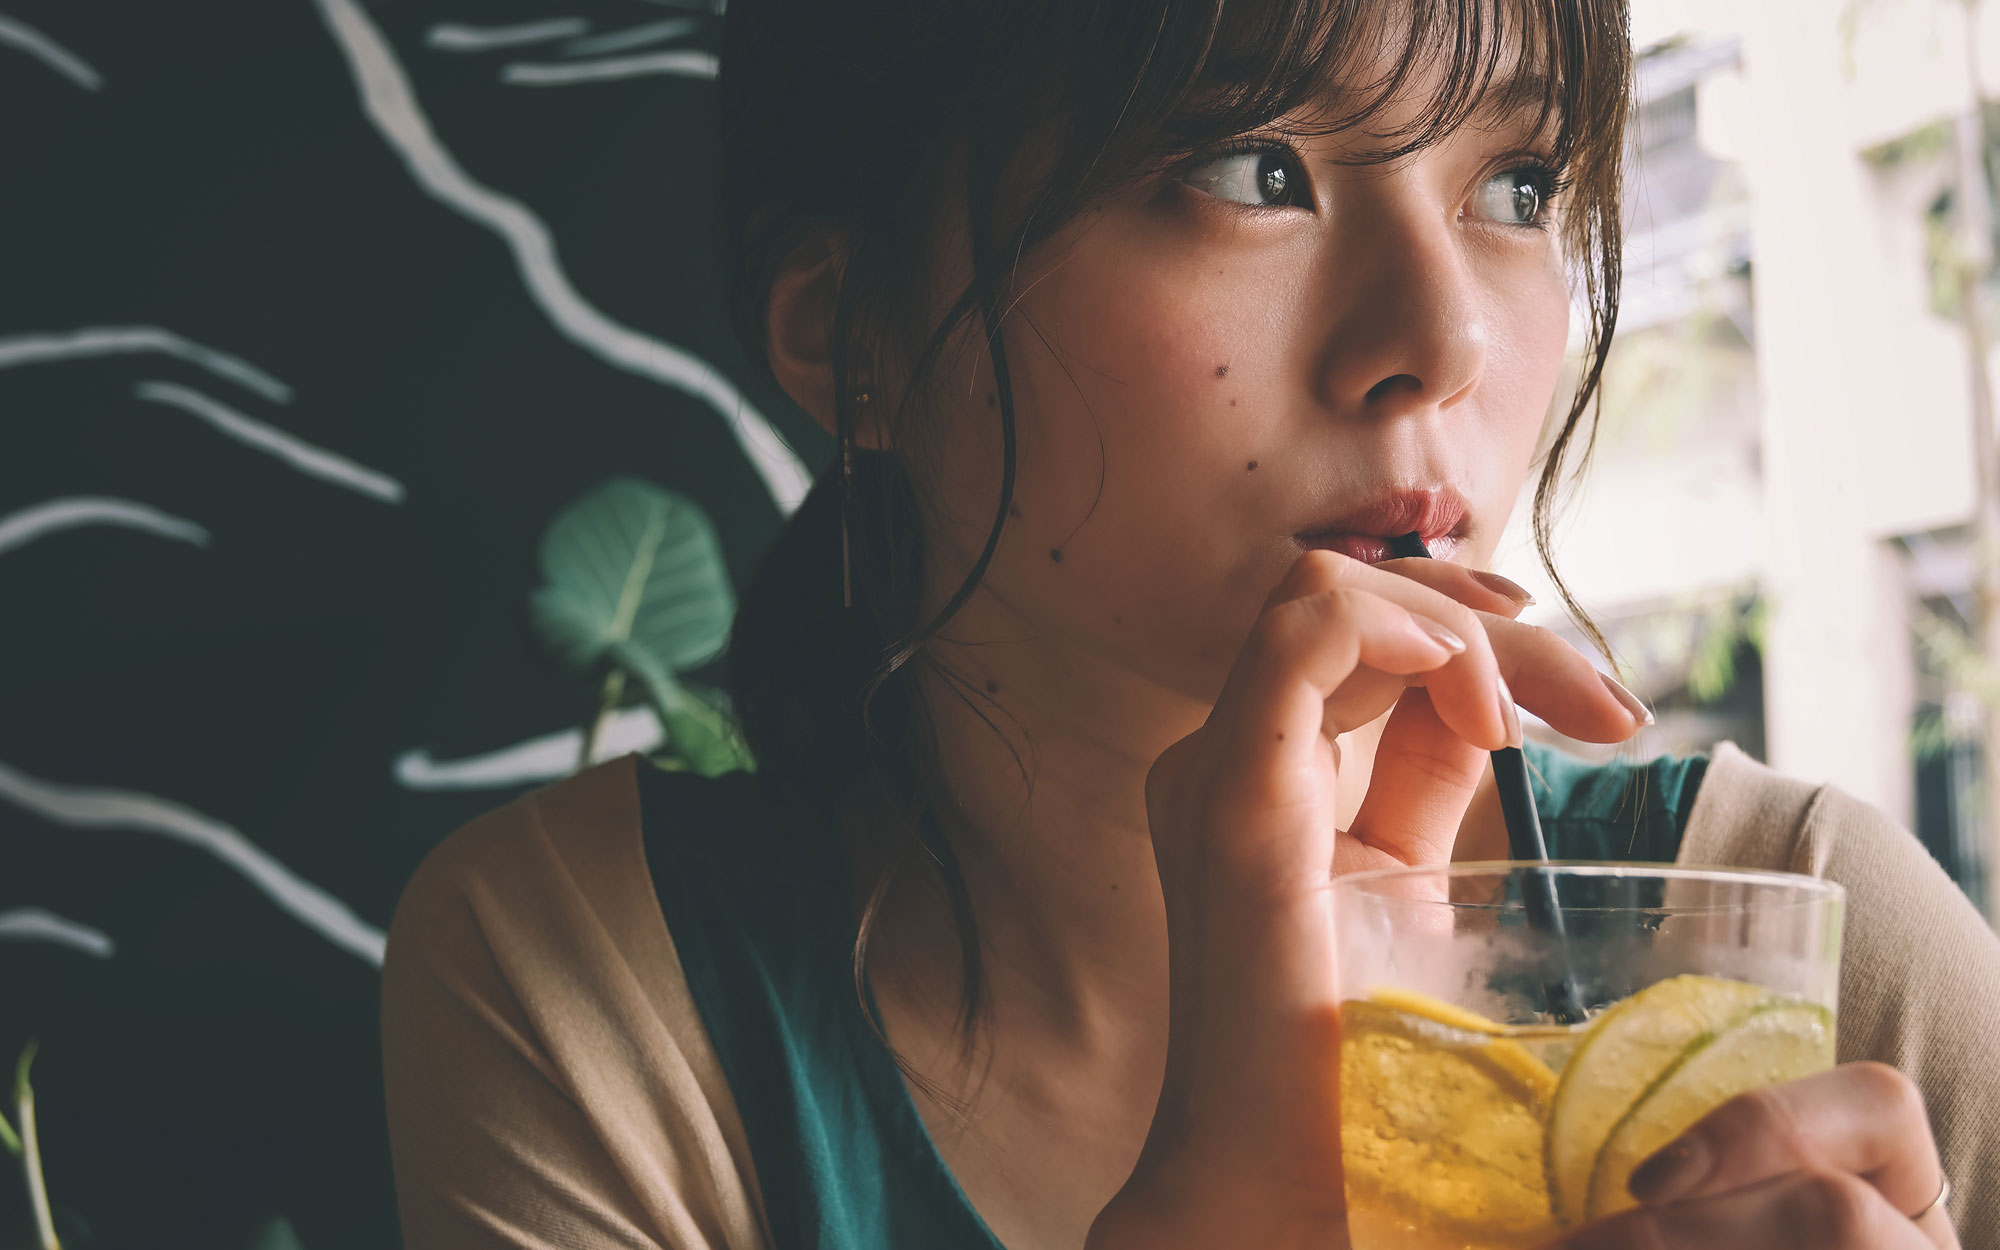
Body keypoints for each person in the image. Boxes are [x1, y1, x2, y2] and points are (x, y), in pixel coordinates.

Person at [379, 1, 2000, 1246]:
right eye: (1253, 171)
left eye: (1516, 183)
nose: (1440, 339)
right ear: (861, 334)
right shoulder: (608, 990)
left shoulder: (1817, 941)